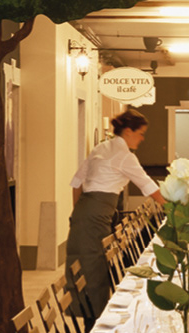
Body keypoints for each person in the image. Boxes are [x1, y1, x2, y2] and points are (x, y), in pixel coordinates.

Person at [67, 109, 160, 316]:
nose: (142, 139)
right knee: (94, 267)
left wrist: (80, 211)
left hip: (85, 210)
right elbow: (148, 186)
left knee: (83, 263)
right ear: (128, 131)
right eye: (140, 133)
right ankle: (94, 320)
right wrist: (173, 208)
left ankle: (88, 317)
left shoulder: (101, 148)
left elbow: (76, 182)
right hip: (96, 213)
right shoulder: (124, 156)